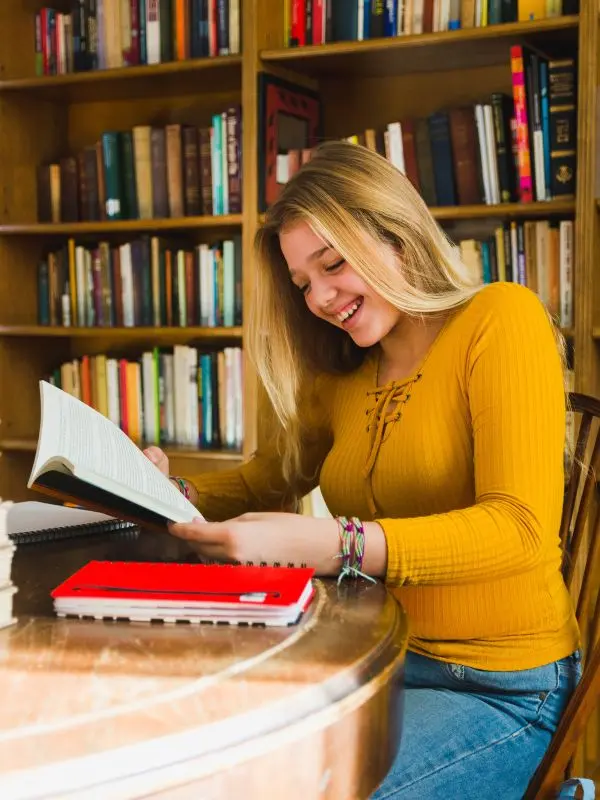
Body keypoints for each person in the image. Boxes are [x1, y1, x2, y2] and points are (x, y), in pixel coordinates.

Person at [144, 141, 581, 799]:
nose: (320, 297)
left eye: (333, 263)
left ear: (395, 233)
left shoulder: (500, 318)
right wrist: (161, 490)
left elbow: (518, 530)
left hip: (503, 687)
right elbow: (268, 479)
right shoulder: (344, 372)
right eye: (302, 284)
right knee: (206, 763)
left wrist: (339, 545)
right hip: (376, 661)